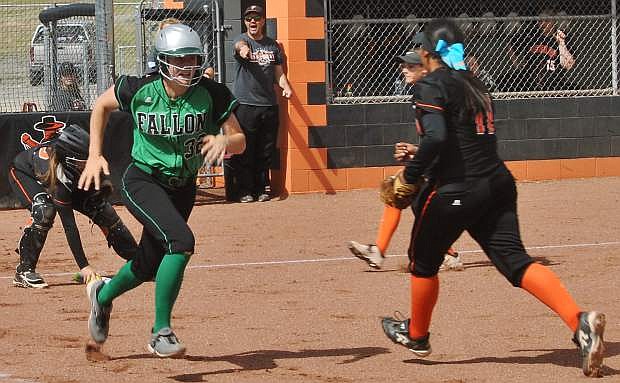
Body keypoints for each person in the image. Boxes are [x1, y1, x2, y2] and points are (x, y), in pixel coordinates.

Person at [380, 19, 605, 378]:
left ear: (426, 51)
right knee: (515, 261)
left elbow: (437, 138)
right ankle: (580, 323)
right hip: (497, 183)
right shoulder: (475, 83)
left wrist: (410, 176)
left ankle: (417, 335)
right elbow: (461, 138)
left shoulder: (431, 85)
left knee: (422, 262)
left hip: (457, 189)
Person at [78, 23, 246, 358]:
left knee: (148, 264)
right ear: (163, 61)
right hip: (142, 179)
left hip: (182, 187)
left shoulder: (212, 94)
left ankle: (103, 296)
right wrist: (95, 154)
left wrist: (226, 140)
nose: (188, 67)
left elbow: (240, 141)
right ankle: (160, 331)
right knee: (182, 242)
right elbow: (101, 106)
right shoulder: (139, 88)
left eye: (193, 60)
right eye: (180, 61)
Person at [348, 49, 462, 271]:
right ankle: (379, 251)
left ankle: (449, 253)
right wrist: (415, 151)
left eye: (411, 66)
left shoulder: (430, 92)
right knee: (399, 193)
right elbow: (437, 139)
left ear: (425, 69)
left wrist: (417, 158)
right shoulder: (428, 91)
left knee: (415, 200)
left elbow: (445, 139)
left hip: (454, 170)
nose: (404, 70)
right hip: (440, 164)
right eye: (404, 66)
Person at [8, 124, 137, 288]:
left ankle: (137, 261)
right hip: (23, 172)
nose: (90, 164)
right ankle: (24, 271)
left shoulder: (75, 165)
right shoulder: (58, 179)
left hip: (62, 175)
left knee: (102, 209)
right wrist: (84, 267)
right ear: (69, 161)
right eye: (85, 161)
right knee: (45, 210)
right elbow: (70, 226)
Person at [228, 4, 292, 203]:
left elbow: (278, 72)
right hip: (246, 104)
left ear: (263, 20)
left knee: (265, 149)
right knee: (246, 149)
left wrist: (285, 87)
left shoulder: (272, 45)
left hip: (268, 105)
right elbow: (240, 47)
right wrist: (245, 51)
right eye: (249, 19)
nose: (252, 22)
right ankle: (245, 190)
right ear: (245, 22)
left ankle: (261, 188)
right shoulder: (242, 39)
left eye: (256, 18)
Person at [507, 8, 575, 91]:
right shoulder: (531, 35)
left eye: (546, 21)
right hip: (529, 81)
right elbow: (511, 44)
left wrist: (561, 43)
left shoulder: (561, 36)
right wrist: (517, 64)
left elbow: (568, 65)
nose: (543, 24)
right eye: (540, 21)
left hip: (554, 81)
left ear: (554, 21)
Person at [146, 18, 215, 79]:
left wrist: (204, 79)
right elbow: (150, 76)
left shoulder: (190, 49)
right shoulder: (156, 51)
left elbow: (208, 70)